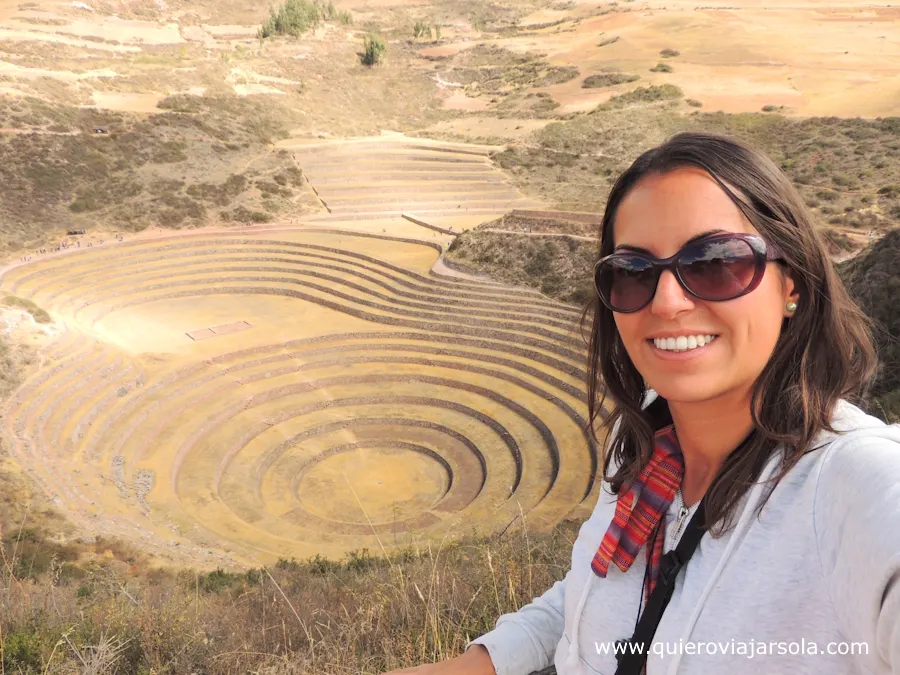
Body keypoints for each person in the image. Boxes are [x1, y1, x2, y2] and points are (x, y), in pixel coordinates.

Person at [386, 132, 900, 675]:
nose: (669, 302)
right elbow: (595, 600)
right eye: (633, 274)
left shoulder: (850, 488)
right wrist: (480, 662)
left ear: (791, 283)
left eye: (716, 262)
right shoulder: (644, 446)